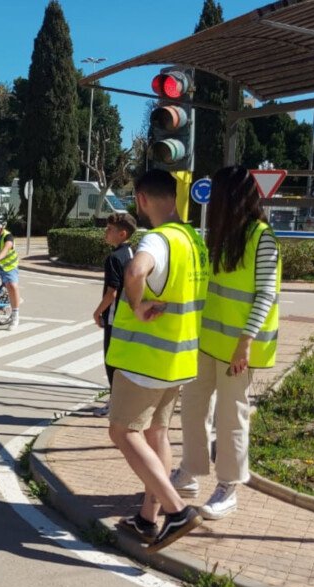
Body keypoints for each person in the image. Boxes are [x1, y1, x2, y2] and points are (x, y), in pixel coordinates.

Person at [105, 169, 209, 553]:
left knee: (122, 432)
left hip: (145, 359)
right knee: (157, 435)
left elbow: (135, 270)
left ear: (142, 198)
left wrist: (136, 303)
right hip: (179, 358)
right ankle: (148, 519)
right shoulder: (194, 240)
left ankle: (176, 510)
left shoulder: (159, 239)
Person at [170, 165, 281, 521]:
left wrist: (244, 343)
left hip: (238, 348)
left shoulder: (262, 237)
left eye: (216, 193)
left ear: (230, 197)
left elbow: (266, 294)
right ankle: (190, 473)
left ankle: (229, 486)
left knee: (231, 416)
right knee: (192, 408)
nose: (211, 199)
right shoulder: (218, 234)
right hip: (206, 342)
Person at [92, 212, 137, 417]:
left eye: (109, 230)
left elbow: (113, 292)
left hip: (114, 316)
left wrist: (97, 312)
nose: (106, 233)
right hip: (130, 316)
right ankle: (124, 402)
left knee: (111, 361)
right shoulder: (133, 254)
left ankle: (115, 404)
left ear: (122, 234)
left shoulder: (113, 258)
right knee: (125, 362)